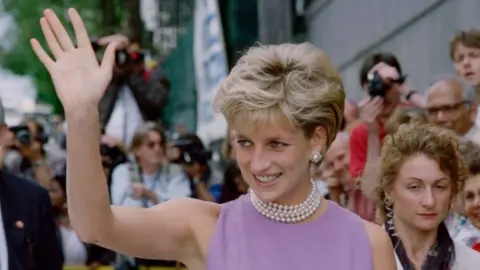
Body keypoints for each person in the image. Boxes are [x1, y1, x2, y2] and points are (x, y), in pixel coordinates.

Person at [30, 8, 396, 269]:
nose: (257, 163)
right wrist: (81, 115)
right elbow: (95, 226)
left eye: (276, 144)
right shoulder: (203, 226)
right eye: (244, 143)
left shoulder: (368, 244)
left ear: (316, 140)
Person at [373, 123, 480, 269]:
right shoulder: (361, 258)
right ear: (388, 190)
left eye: (440, 187)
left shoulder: (473, 264)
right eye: (415, 187)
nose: (429, 201)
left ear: (453, 194)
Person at [0, 100, 63, 269]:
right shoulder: (14, 162)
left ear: (4, 133)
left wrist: (36, 158)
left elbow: (50, 262)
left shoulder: (32, 198)